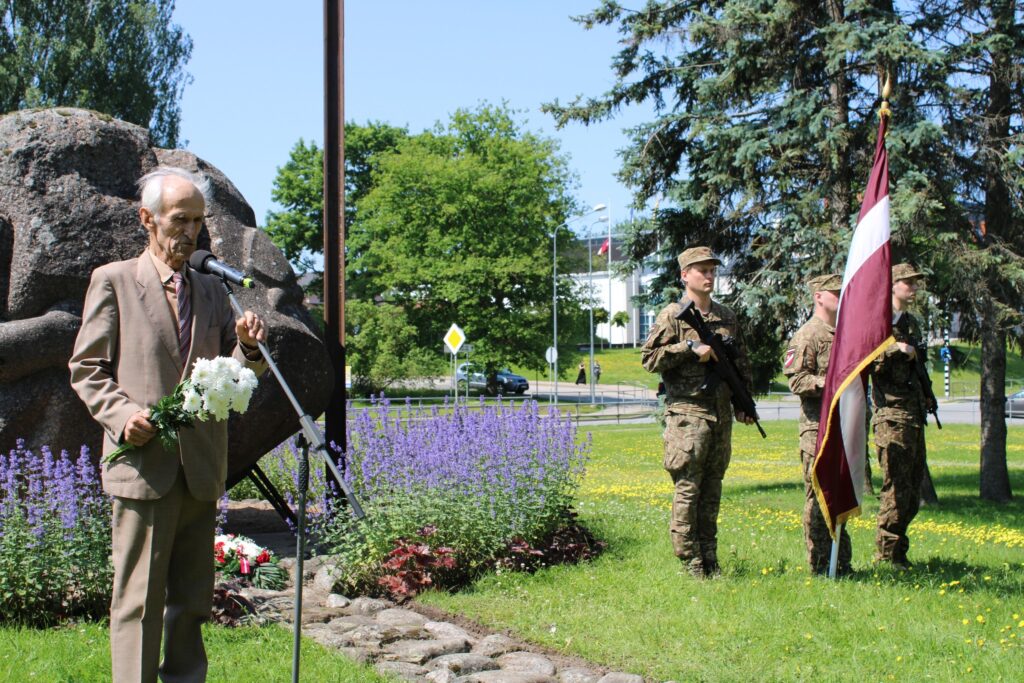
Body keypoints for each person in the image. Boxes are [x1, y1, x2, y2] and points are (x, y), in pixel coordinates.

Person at [69, 166, 268, 682]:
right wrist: (122, 415)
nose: (191, 232)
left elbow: (233, 374)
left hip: (200, 469)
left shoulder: (211, 290)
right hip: (143, 467)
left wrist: (246, 347)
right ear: (147, 220)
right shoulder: (113, 281)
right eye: (180, 219)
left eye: (198, 221)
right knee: (137, 603)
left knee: (192, 602)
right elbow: (86, 369)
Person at [641, 246, 755, 577]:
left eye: (711, 269)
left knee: (712, 490)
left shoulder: (726, 317)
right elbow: (649, 359)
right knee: (688, 489)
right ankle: (690, 562)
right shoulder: (672, 315)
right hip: (687, 416)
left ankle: (710, 558)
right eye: (701, 269)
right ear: (684, 275)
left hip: (719, 416)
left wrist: (743, 403)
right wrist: (689, 349)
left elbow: (740, 364)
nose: (708, 275)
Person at [783, 273, 852, 576]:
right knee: (819, 494)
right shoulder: (807, 335)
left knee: (842, 494)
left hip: (845, 426)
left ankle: (842, 562)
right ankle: (820, 563)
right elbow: (796, 380)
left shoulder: (846, 333)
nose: (840, 296)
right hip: (817, 429)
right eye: (834, 292)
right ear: (818, 296)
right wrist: (830, 383)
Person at [869, 263, 932, 569]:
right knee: (895, 488)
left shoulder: (911, 323)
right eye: (908, 282)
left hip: (914, 414)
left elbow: (920, 362)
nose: (914, 288)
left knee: (913, 488)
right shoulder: (878, 324)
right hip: (891, 416)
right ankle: (886, 555)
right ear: (892, 285)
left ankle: (899, 551)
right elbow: (867, 361)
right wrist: (895, 349)